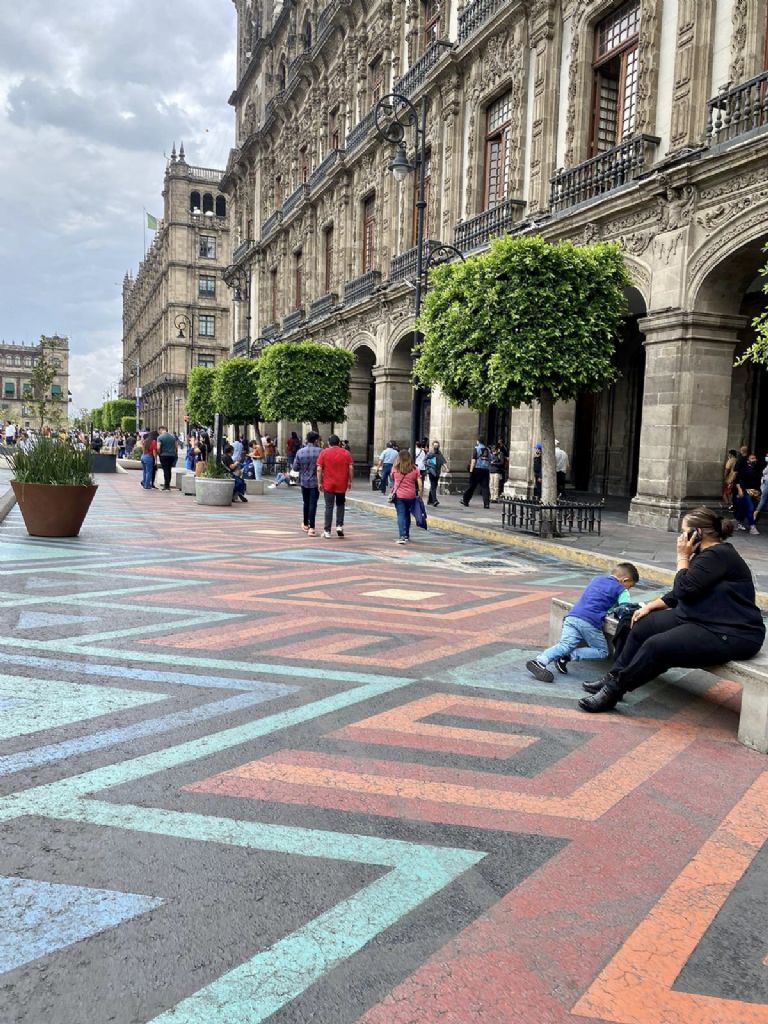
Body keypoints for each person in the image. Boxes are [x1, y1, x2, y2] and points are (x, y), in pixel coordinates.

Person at [579, 507, 766, 713]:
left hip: (731, 632)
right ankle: (613, 677)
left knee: (657, 646)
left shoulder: (718, 555)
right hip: (699, 618)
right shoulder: (708, 555)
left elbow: (684, 589)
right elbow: (681, 592)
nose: (679, 537)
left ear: (697, 533)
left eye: (683, 531)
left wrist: (682, 557)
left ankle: (613, 691)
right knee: (639, 623)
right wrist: (649, 607)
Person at [525, 562, 640, 683]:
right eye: (630, 586)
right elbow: (624, 609)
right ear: (625, 580)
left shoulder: (596, 580)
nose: (629, 589)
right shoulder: (621, 590)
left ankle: (540, 661)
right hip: (590, 622)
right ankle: (568, 656)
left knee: (565, 644)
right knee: (602, 651)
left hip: (572, 616)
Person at [317, 434, 354, 539]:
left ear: (329, 443)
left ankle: (327, 530)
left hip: (328, 484)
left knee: (329, 506)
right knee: (340, 504)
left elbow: (319, 469)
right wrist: (350, 481)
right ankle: (339, 525)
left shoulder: (324, 452)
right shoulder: (346, 453)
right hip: (342, 483)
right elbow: (351, 468)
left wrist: (319, 482)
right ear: (339, 443)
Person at [390, 448, 423, 544]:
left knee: (401, 515)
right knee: (407, 514)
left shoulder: (395, 468)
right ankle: (407, 534)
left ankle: (402, 536)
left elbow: (392, 477)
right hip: (411, 495)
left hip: (399, 496)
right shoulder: (414, 469)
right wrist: (420, 494)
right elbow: (420, 484)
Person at [293, 431, 322, 536]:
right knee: (313, 503)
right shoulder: (321, 452)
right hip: (316, 482)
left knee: (306, 502)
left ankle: (306, 524)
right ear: (316, 440)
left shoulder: (300, 452)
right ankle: (312, 528)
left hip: (304, 481)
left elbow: (295, 468)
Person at [733, 450, 760, 534]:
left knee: (743, 508)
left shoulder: (757, 470)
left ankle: (737, 522)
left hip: (755, 492)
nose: (754, 460)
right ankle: (752, 527)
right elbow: (737, 480)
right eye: (752, 458)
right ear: (748, 460)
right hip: (745, 491)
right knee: (750, 508)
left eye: (755, 458)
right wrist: (740, 490)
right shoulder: (744, 469)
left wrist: (758, 493)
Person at [460, 444, 491, 509]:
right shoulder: (488, 450)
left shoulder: (477, 449)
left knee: (472, 486)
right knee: (485, 487)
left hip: (477, 469)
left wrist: (471, 471)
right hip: (485, 470)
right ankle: (486, 504)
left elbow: (473, 460)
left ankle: (465, 500)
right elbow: (490, 460)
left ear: (478, 441)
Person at [425, 441, 449, 507]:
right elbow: (425, 461)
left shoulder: (439, 454)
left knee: (434, 486)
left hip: (437, 472)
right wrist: (429, 467)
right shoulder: (430, 453)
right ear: (432, 446)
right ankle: (435, 500)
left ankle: (430, 500)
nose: (436, 447)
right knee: (433, 485)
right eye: (435, 446)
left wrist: (446, 468)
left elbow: (443, 461)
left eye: (437, 446)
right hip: (431, 472)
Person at [156, 425, 178, 491]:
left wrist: (159, 453)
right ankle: (168, 485)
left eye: (159, 430)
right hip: (172, 455)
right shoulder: (173, 437)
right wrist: (175, 454)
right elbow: (176, 447)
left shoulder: (160, 437)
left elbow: (158, 447)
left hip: (164, 455)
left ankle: (166, 485)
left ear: (161, 429)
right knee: (169, 470)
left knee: (165, 470)